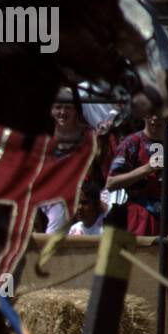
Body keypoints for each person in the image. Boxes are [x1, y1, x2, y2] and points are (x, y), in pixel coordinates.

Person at [107, 114, 168, 236]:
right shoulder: (131, 143)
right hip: (141, 218)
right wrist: (147, 169)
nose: (155, 118)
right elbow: (111, 183)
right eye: (150, 113)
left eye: (159, 112)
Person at [39, 88, 95, 234]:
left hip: (84, 190)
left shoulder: (89, 135)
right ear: (51, 110)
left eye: (68, 107)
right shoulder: (43, 135)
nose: (62, 112)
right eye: (58, 107)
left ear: (76, 110)